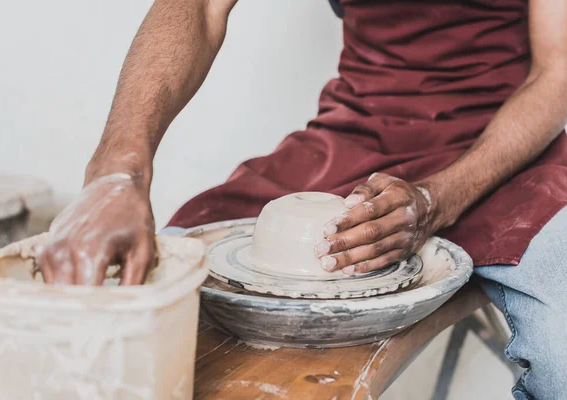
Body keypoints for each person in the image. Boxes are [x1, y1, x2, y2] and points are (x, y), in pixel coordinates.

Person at [36, 0, 567, 398]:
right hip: (362, 129)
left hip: (508, 144)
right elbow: (197, 8)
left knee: (560, 355)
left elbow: (557, 70)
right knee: (156, 287)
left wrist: (437, 198)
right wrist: (118, 171)